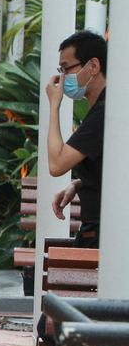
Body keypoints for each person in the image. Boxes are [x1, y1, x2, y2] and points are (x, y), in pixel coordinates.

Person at [46, 30, 106, 248]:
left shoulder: (103, 113)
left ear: (93, 66)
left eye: (66, 68)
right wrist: (80, 184)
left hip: (102, 234)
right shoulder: (106, 108)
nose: (62, 78)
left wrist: (54, 106)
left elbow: (56, 164)